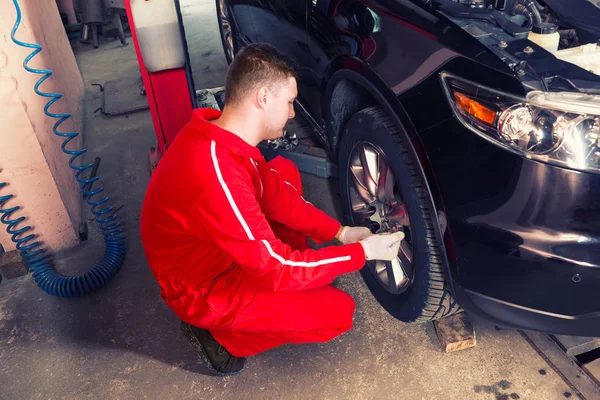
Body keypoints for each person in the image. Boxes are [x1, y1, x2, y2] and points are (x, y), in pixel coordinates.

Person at [140, 43, 404, 376]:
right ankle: (218, 337)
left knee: (283, 173)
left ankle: (302, 276)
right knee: (337, 313)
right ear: (263, 97)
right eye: (290, 102)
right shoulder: (216, 176)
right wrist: (359, 252)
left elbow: (276, 194)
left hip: (215, 249)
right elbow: (276, 269)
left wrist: (339, 233)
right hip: (204, 288)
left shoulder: (217, 136)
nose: (293, 113)